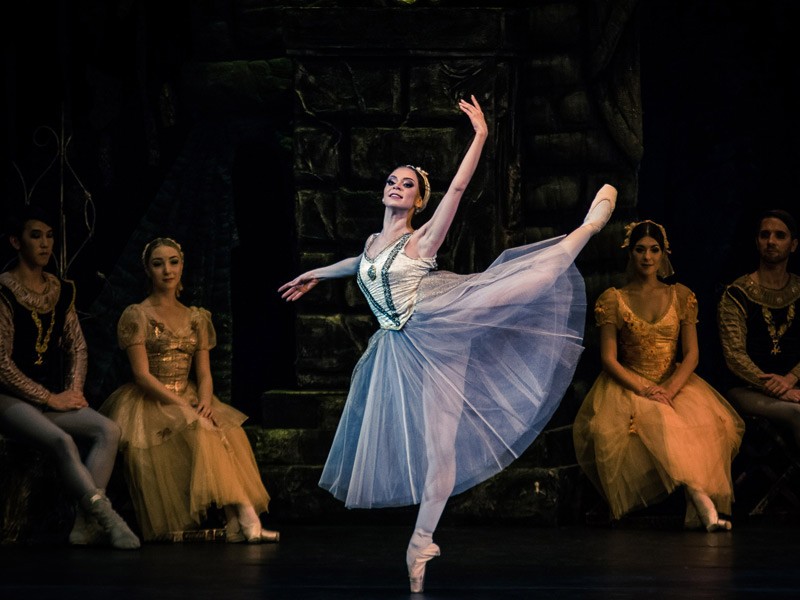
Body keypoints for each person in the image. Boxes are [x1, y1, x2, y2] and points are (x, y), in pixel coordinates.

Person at [279, 95, 616, 592]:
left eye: (407, 184)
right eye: (392, 181)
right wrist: (318, 273)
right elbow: (361, 265)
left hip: (441, 320)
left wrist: (480, 136)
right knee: (439, 449)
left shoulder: (424, 239)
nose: (396, 186)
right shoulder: (372, 241)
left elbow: (457, 188)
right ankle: (421, 542)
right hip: (404, 346)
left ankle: (587, 228)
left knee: (528, 280)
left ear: (419, 201)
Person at [99, 237, 279, 543]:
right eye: (158, 264)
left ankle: (236, 521)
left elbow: (204, 373)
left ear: (182, 266)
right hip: (152, 399)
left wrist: (205, 401)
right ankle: (248, 517)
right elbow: (142, 376)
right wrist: (183, 406)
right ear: (148, 270)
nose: (167, 270)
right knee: (202, 429)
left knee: (227, 430)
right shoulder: (138, 315)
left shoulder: (196, 317)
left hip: (189, 393)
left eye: (173, 262)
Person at [573, 220, 744, 531]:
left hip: (674, 383)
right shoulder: (613, 299)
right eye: (640, 250)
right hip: (630, 384)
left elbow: (691, 354)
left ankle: (700, 504)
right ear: (630, 253)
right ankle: (702, 504)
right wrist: (645, 389)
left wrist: (669, 389)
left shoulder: (680, 295)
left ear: (664, 253)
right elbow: (608, 359)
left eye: (654, 250)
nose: (647, 257)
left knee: (708, 423)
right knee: (654, 421)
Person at [0, 205, 140, 549]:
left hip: (50, 397)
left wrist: (73, 391)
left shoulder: (58, 289)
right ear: (17, 242)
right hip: (9, 398)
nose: (45, 244)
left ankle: (84, 525)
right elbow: (1, 363)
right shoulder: (4, 290)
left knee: (108, 430)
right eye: (36, 236)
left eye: (49, 236)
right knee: (62, 441)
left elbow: (77, 345)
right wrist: (49, 397)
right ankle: (108, 519)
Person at [718, 209, 800, 444]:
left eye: (779, 235)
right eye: (765, 235)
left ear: (793, 245)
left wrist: (791, 379)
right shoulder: (737, 293)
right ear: (757, 242)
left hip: (793, 383)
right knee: (797, 413)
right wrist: (778, 388)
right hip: (748, 388)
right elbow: (735, 356)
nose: (771, 241)